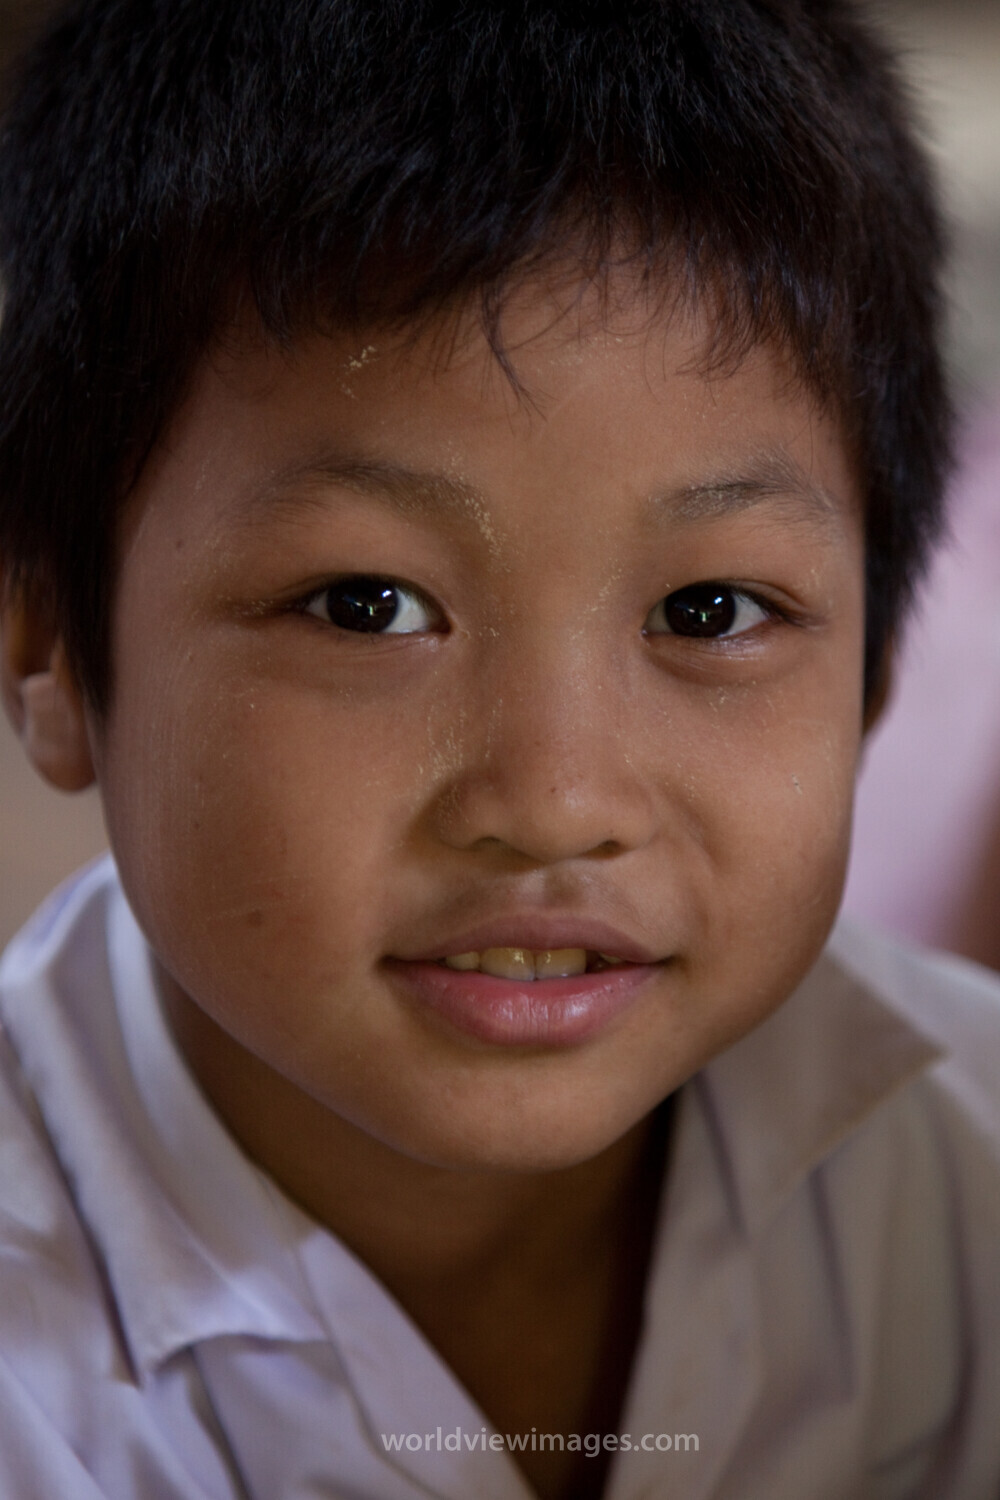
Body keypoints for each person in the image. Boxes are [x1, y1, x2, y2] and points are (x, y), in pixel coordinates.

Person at [1, 3, 999, 1498]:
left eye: (711, 609)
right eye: (366, 604)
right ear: (52, 648)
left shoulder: (972, 1177)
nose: (552, 803)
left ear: (872, 674)